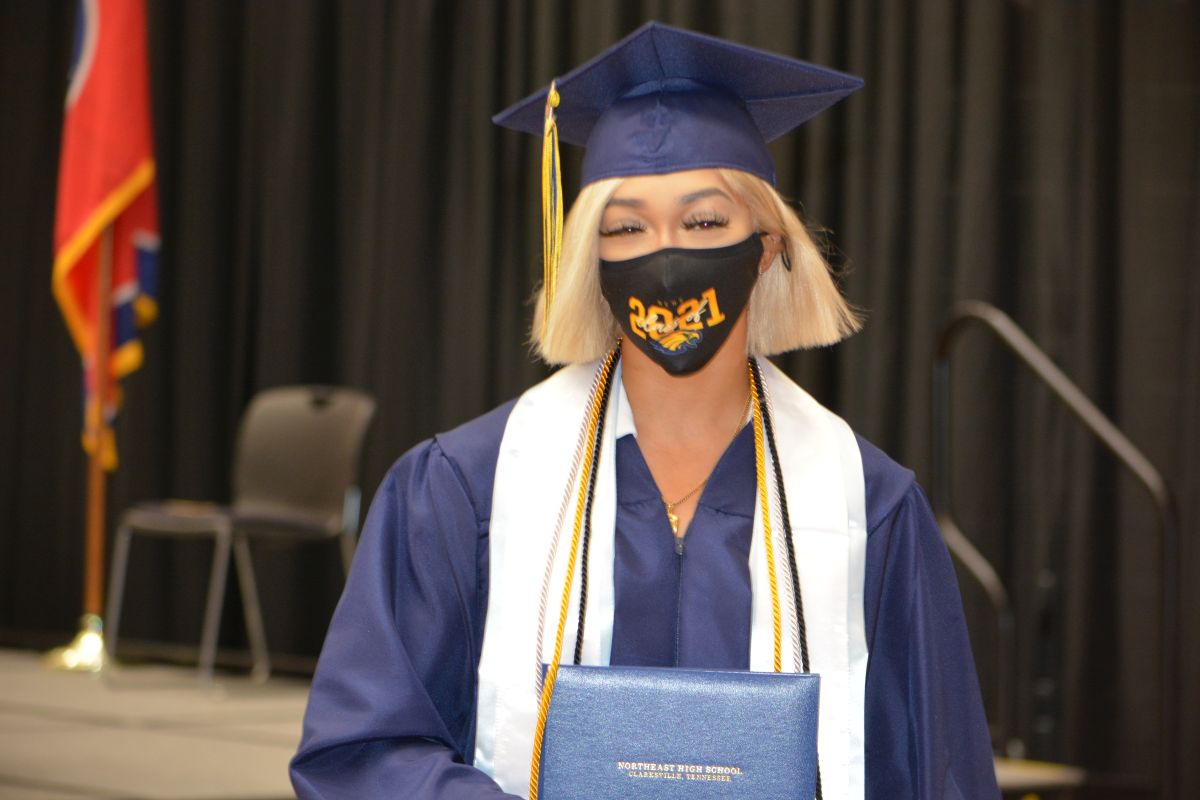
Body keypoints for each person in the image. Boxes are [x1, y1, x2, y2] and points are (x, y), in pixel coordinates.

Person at [290, 22, 999, 799]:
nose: (665, 255)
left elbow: (940, 775)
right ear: (592, 259)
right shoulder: (467, 488)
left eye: (705, 221)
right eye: (627, 227)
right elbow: (361, 754)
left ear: (767, 246)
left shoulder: (868, 505)